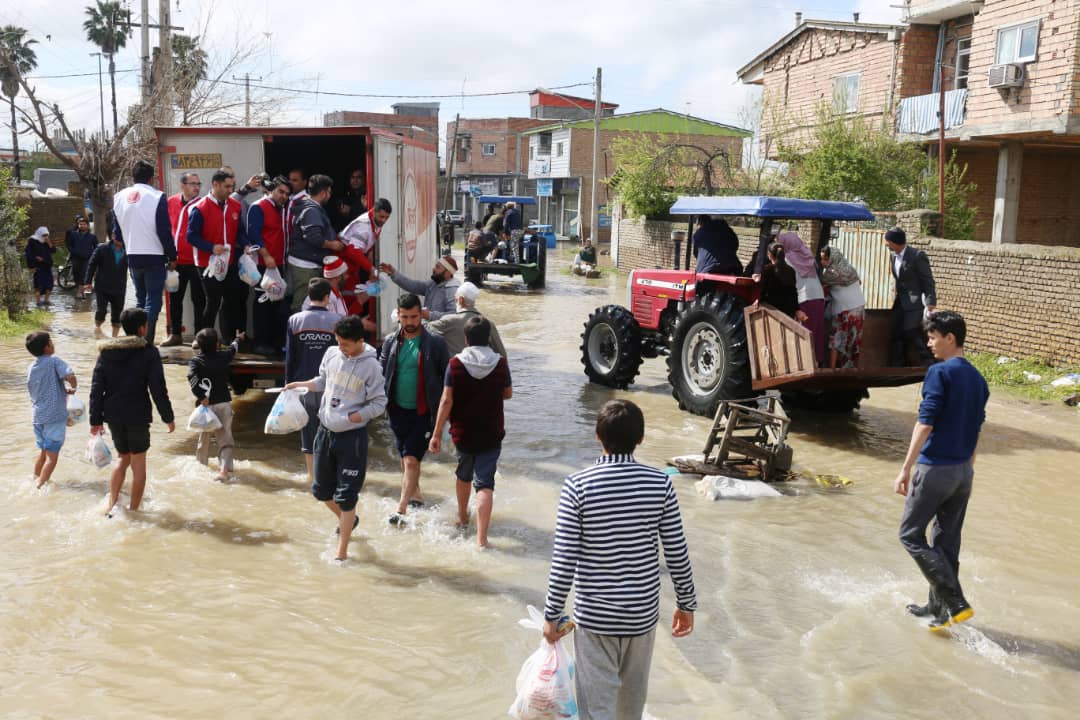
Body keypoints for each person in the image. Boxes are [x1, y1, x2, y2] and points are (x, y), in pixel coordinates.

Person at [542, 399, 696, 719]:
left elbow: (564, 558)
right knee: (630, 709)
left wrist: (552, 613)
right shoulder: (660, 483)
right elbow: (677, 550)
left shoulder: (577, 486)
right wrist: (686, 604)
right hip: (641, 617)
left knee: (597, 711)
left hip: (596, 619)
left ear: (598, 436)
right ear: (640, 439)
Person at [895, 310, 988, 631]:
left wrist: (905, 468)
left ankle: (955, 600)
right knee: (945, 542)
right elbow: (977, 430)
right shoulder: (978, 379)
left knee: (910, 535)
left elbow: (925, 422)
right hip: (963, 472)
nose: (930, 343)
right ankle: (938, 612)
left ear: (951, 338)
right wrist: (967, 471)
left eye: (934, 337)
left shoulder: (939, 373)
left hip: (934, 468)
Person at [286, 315, 387, 561]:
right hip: (324, 431)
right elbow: (323, 380)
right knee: (320, 491)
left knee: (346, 496)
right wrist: (301, 384)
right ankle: (349, 520)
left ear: (360, 341)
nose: (342, 348)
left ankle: (341, 553)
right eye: (339, 342)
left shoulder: (372, 366)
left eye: (346, 345)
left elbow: (379, 403)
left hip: (351, 437)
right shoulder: (332, 353)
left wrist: (356, 417)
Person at [428, 316, 512, 548]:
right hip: (491, 431)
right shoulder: (500, 363)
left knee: (463, 475)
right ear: (488, 339)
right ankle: (481, 540)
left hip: (463, 432)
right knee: (485, 484)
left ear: (466, 339)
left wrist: (436, 434)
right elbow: (508, 394)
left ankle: (463, 518)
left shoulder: (455, 364)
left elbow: (446, 400)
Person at [89, 308, 176, 515]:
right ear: (142, 328)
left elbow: (96, 387)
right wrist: (168, 417)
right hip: (137, 415)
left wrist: (95, 420)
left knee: (122, 458)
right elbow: (158, 388)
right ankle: (134, 511)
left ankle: (111, 505)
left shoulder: (106, 352)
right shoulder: (148, 352)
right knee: (138, 463)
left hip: (113, 416)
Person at [379, 293, 450, 525]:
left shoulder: (436, 343)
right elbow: (381, 373)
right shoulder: (390, 342)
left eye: (414, 317)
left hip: (423, 411)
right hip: (397, 409)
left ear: (421, 315)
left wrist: (442, 419)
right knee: (404, 456)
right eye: (405, 317)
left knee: (410, 459)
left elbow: (448, 380)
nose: (409, 322)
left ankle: (401, 509)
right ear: (398, 316)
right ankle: (416, 493)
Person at [111, 160, 177, 346]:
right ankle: (147, 342)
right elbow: (164, 230)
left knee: (141, 300)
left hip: (132, 256)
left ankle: (137, 339)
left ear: (132, 177)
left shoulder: (119, 197)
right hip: (154, 256)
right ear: (151, 178)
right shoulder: (157, 196)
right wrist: (172, 255)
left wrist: (128, 246)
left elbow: (116, 233)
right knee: (154, 300)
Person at [286, 278, 344, 483]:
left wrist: (288, 385)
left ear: (308, 297)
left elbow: (290, 357)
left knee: (308, 430)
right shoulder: (337, 321)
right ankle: (331, 474)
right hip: (331, 385)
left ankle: (312, 476)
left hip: (303, 385)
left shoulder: (295, 321)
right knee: (332, 428)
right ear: (328, 298)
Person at [187, 167, 249, 339]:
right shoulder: (200, 207)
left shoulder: (235, 205)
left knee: (232, 300)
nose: (231, 191)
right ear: (215, 184)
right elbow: (191, 236)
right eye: (227, 187)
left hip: (229, 262)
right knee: (213, 301)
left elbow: (240, 232)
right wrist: (211, 247)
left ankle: (230, 338)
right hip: (207, 264)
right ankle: (204, 339)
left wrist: (245, 245)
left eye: (232, 186)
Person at [188, 328, 241, 482]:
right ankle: (224, 470)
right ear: (218, 344)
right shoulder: (223, 357)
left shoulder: (195, 362)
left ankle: (200, 468)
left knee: (203, 439)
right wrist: (238, 338)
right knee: (226, 440)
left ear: (198, 345)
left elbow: (191, 378)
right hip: (223, 404)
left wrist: (201, 396)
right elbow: (233, 349)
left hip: (206, 406)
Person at [25, 331, 77, 489]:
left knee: (43, 453)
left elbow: (42, 389)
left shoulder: (31, 367)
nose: (53, 344)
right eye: (51, 342)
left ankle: (35, 477)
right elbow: (70, 375)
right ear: (47, 347)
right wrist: (73, 385)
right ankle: (39, 486)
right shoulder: (54, 361)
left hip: (38, 417)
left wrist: (63, 391)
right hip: (54, 417)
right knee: (52, 458)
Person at [246, 175, 290, 355]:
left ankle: (272, 341)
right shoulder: (259, 207)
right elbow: (253, 233)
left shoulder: (281, 209)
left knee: (275, 303)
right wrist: (265, 254)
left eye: (287, 194)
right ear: (271, 189)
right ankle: (260, 342)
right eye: (280, 191)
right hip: (264, 264)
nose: (283, 196)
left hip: (278, 263)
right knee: (262, 303)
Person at [162, 171, 205, 347]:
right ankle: (175, 334)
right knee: (175, 299)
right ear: (183, 185)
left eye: (198, 184)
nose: (196, 187)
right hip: (175, 260)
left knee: (199, 299)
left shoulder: (202, 204)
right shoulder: (170, 202)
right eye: (192, 183)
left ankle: (199, 336)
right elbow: (164, 228)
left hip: (196, 260)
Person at [289, 174, 344, 312]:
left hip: (309, 263)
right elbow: (314, 237)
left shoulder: (312, 207)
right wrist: (333, 245)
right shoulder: (311, 210)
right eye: (329, 192)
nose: (330, 196)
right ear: (323, 192)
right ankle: (297, 332)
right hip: (305, 266)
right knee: (301, 304)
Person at [886, 227, 937, 367]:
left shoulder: (917, 255)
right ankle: (896, 364)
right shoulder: (893, 256)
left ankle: (929, 360)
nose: (886, 244)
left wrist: (930, 301)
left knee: (910, 331)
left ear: (896, 242)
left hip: (915, 302)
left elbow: (928, 280)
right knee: (895, 331)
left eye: (888, 241)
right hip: (900, 300)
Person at [778, 231, 826, 365]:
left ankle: (806, 364)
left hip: (805, 298)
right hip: (819, 297)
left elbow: (788, 282)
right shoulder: (806, 254)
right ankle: (817, 362)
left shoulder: (788, 258)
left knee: (804, 333)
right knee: (817, 331)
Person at [426, 282, 507, 357]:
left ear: (461, 300)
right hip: (480, 370)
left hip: (455, 370)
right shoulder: (488, 324)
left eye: (455, 299)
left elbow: (425, 330)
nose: (455, 301)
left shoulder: (448, 321)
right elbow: (502, 354)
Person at [819, 246, 866, 369]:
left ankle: (832, 370)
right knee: (853, 341)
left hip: (843, 310)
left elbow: (822, 288)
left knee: (836, 339)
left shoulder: (829, 274)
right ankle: (852, 369)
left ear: (832, 258)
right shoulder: (851, 269)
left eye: (825, 259)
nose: (822, 262)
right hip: (859, 309)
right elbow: (858, 283)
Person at [378, 256, 460, 321]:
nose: (433, 269)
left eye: (438, 267)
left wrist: (429, 315)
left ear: (448, 273)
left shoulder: (452, 290)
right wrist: (394, 274)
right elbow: (413, 286)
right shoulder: (433, 284)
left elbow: (453, 315)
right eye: (435, 266)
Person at [85, 228, 128, 337]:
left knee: (118, 312)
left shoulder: (128, 250)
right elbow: (92, 264)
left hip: (119, 287)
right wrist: (88, 282)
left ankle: (114, 338)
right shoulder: (102, 248)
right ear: (113, 236)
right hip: (102, 286)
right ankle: (98, 328)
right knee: (101, 310)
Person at [753, 242, 799, 318]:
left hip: (772, 311)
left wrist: (758, 300)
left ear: (769, 255)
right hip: (788, 312)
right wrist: (796, 309)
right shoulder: (791, 270)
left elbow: (763, 291)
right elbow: (793, 291)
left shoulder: (767, 270)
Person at [65, 216, 97, 297]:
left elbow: (96, 247)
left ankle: (79, 292)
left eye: (83, 224)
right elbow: (68, 245)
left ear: (87, 225)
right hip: (76, 258)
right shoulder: (73, 234)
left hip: (87, 259)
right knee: (76, 275)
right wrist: (73, 251)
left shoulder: (92, 237)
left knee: (84, 274)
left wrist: (92, 255)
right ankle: (82, 291)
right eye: (80, 224)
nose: (82, 226)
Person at [25, 226, 56, 307]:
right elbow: (28, 253)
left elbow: (53, 251)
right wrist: (35, 258)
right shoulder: (32, 241)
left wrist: (49, 243)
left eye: (46, 235)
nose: (45, 237)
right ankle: (38, 301)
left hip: (47, 265)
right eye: (43, 235)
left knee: (50, 283)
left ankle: (46, 300)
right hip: (37, 266)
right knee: (38, 284)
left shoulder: (47, 241)